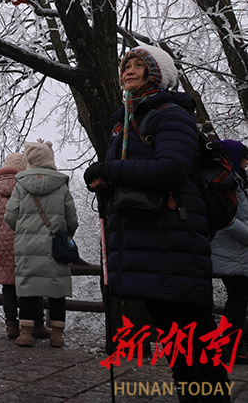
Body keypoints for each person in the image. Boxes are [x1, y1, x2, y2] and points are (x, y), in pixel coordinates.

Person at [84, 45, 231, 400]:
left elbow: (172, 168)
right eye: (125, 65)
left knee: (194, 345)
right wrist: (105, 180)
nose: (129, 70)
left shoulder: (170, 115)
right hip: (148, 243)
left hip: (173, 243)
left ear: (158, 74)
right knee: (179, 345)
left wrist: (109, 169)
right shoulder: (124, 122)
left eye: (139, 65)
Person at [4, 140, 77, 348]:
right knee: (57, 289)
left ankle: (26, 334)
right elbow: (72, 219)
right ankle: (57, 336)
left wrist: (24, 230)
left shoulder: (21, 185)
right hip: (55, 247)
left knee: (28, 287)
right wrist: (63, 235)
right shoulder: (61, 185)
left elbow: (10, 216)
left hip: (27, 245)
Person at [211, 140, 248, 364]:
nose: (246, 162)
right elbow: (229, 220)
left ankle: (232, 346)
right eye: (244, 158)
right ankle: (231, 348)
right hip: (230, 249)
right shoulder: (223, 182)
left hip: (235, 249)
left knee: (239, 297)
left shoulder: (235, 180)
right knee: (239, 297)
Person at [0, 151, 29, 339]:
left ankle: (11, 325)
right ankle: (33, 324)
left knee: (8, 285)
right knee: (28, 283)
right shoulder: (26, 185)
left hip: (3, 240)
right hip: (25, 238)